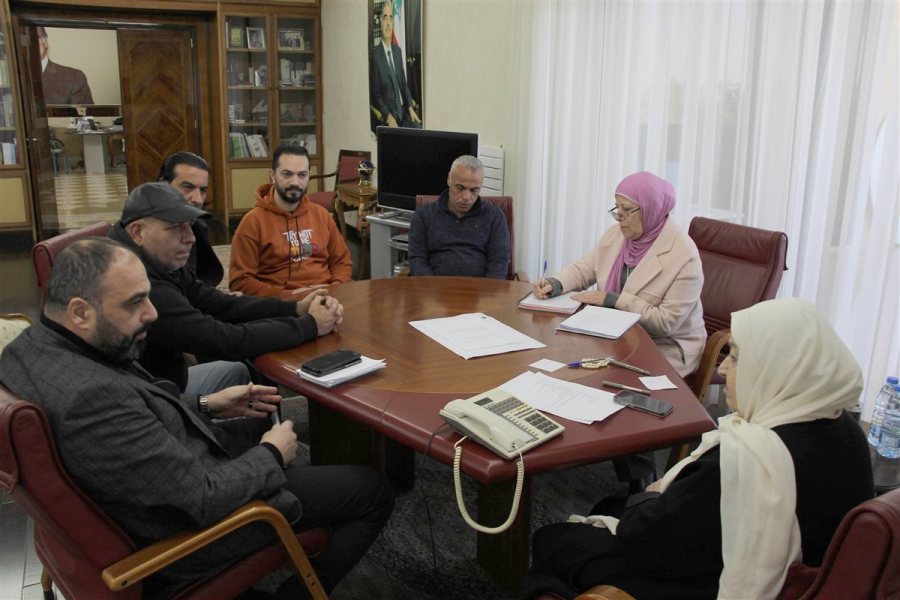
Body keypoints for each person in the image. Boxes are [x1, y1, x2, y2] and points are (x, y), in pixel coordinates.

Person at [0, 237, 394, 599]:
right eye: (134, 303)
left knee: (256, 422)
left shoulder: (27, 349)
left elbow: (131, 419)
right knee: (372, 490)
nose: (151, 313)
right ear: (80, 312)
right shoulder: (91, 399)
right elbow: (202, 499)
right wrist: (271, 454)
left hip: (150, 487)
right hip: (187, 538)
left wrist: (207, 404)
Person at [524, 298, 874, 600]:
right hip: (788, 568)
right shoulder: (847, 431)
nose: (724, 367)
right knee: (612, 505)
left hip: (710, 581)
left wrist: (654, 496)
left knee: (553, 540)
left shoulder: (746, 459)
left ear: (774, 368)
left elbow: (651, 543)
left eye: (735, 357)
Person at [107, 181, 343, 392]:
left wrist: (294, 308)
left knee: (242, 371)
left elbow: (217, 303)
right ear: (138, 232)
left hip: (159, 380)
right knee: (246, 370)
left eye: (189, 225)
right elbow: (226, 340)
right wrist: (310, 325)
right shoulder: (140, 285)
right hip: (151, 396)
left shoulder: (149, 255)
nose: (190, 237)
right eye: (175, 227)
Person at [533, 171, 706, 377]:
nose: (619, 217)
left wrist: (613, 300)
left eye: (627, 210)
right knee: (563, 360)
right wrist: (555, 283)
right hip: (616, 334)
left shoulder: (684, 256)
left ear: (651, 209)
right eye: (617, 208)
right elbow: (583, 269)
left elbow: (665, 323)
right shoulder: (617, 235)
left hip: (664, 346)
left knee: (601, 377)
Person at [229, 143, 353, 298]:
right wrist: (289, 297)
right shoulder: (252, 222)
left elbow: (342, 262)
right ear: (272, 176)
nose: (295, 182)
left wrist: (334, 289)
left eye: (302, 175)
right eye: (287, 174)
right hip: (280, 304)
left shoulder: (321, 215)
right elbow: (240, 282)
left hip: (325, 297)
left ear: (309, 175)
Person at [407, 155, 511, 279]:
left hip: (480, 288)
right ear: (449, 179)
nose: (466, 197)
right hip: (434, 286)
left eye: (474, 190)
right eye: (460, 188)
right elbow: (417, 259)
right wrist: (431, 287)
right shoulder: (424, 215)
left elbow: (499, 262)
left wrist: (486, 289)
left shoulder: (494, 216)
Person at [158, 151, 225, 288]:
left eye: (203, 190)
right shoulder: (145, 230)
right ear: (163, 185)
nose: (198, 199)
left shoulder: (196, 226)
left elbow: (197, 283)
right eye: (187, 187)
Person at [369, 1, 421, 129]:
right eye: (385, 17)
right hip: (391, 118)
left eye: (390, 18)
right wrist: (388, 117)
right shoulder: (375, 56)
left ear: (393, 22)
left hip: (404, 112)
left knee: (420, 130)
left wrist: (410, 108)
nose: (388, 22)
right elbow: (376, 96)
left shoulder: (397, 51)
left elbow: (404, 84)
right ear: (380, 22)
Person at [38, 26, 94, 105]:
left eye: (34, 37)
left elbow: (84, 113)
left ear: (45, 42)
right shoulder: (18, 79)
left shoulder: (74, 78)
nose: (27, 42)